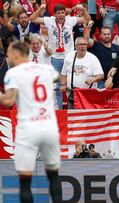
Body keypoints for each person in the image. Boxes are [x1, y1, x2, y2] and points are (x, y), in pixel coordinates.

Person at [0, 41, 61, 203]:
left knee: (25, 182)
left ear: (16, 54)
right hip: (49, 127)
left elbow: (8, 101)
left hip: (28, 129)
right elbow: (57, 77)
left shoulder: (13, 73)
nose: (7, 58)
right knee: (53, 175)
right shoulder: (46, 69)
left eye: (8, 55)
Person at [29, 3, 91, 109]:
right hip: (55, 58)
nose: (61, 15)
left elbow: (87, 19)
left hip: (69, 57)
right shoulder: (49, 20)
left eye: (62, 12)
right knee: (57, 87)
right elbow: (32, 18)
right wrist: (40, 10)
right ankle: (59, 111)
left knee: (72, 83)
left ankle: (74, 109)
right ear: (54, 14)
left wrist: (83, 11)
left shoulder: (70, 20)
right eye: (58, 13)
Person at [60, 37, 104, 108]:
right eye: (80, 44)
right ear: (76, 46)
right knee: (73, 117)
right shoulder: (69, 56)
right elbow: (63, 74)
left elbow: (101, 75)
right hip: (73, 96)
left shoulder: (93, 58)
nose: (82, 46)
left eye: (84, 44)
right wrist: (63, 84)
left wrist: (93, 80)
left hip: (87, 96)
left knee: (87, 117)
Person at [84, 23, 119, 88]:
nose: (106, 36)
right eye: (104, 34)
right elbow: (86, 40)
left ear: (111, 35)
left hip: (113, 80)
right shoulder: (96, 45)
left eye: (108, 34)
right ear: (100, 36)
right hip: (99, 81)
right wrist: (88, 28)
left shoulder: (117, 48)